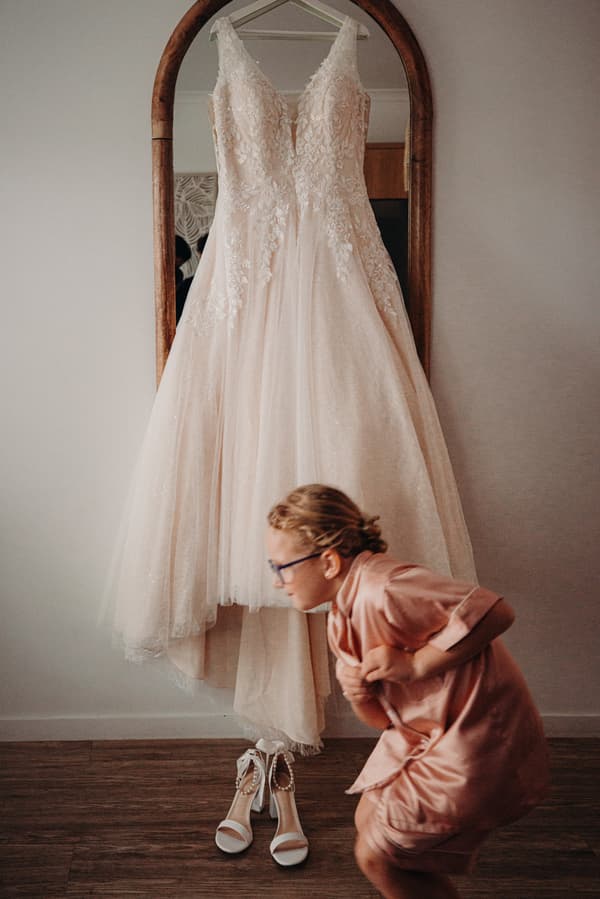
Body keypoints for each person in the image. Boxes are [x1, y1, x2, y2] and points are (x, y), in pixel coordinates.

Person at [266, 484, 549, 899]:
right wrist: (360, 694)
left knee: (375, 856)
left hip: (476, 741)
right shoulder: (340, 621)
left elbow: (495, 610)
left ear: (327, 562)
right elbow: (385, 722)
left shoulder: (386, 588)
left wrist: (418, 663)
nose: (277, 582)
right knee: (367, 819)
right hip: (424, 737)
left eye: (281, 568)